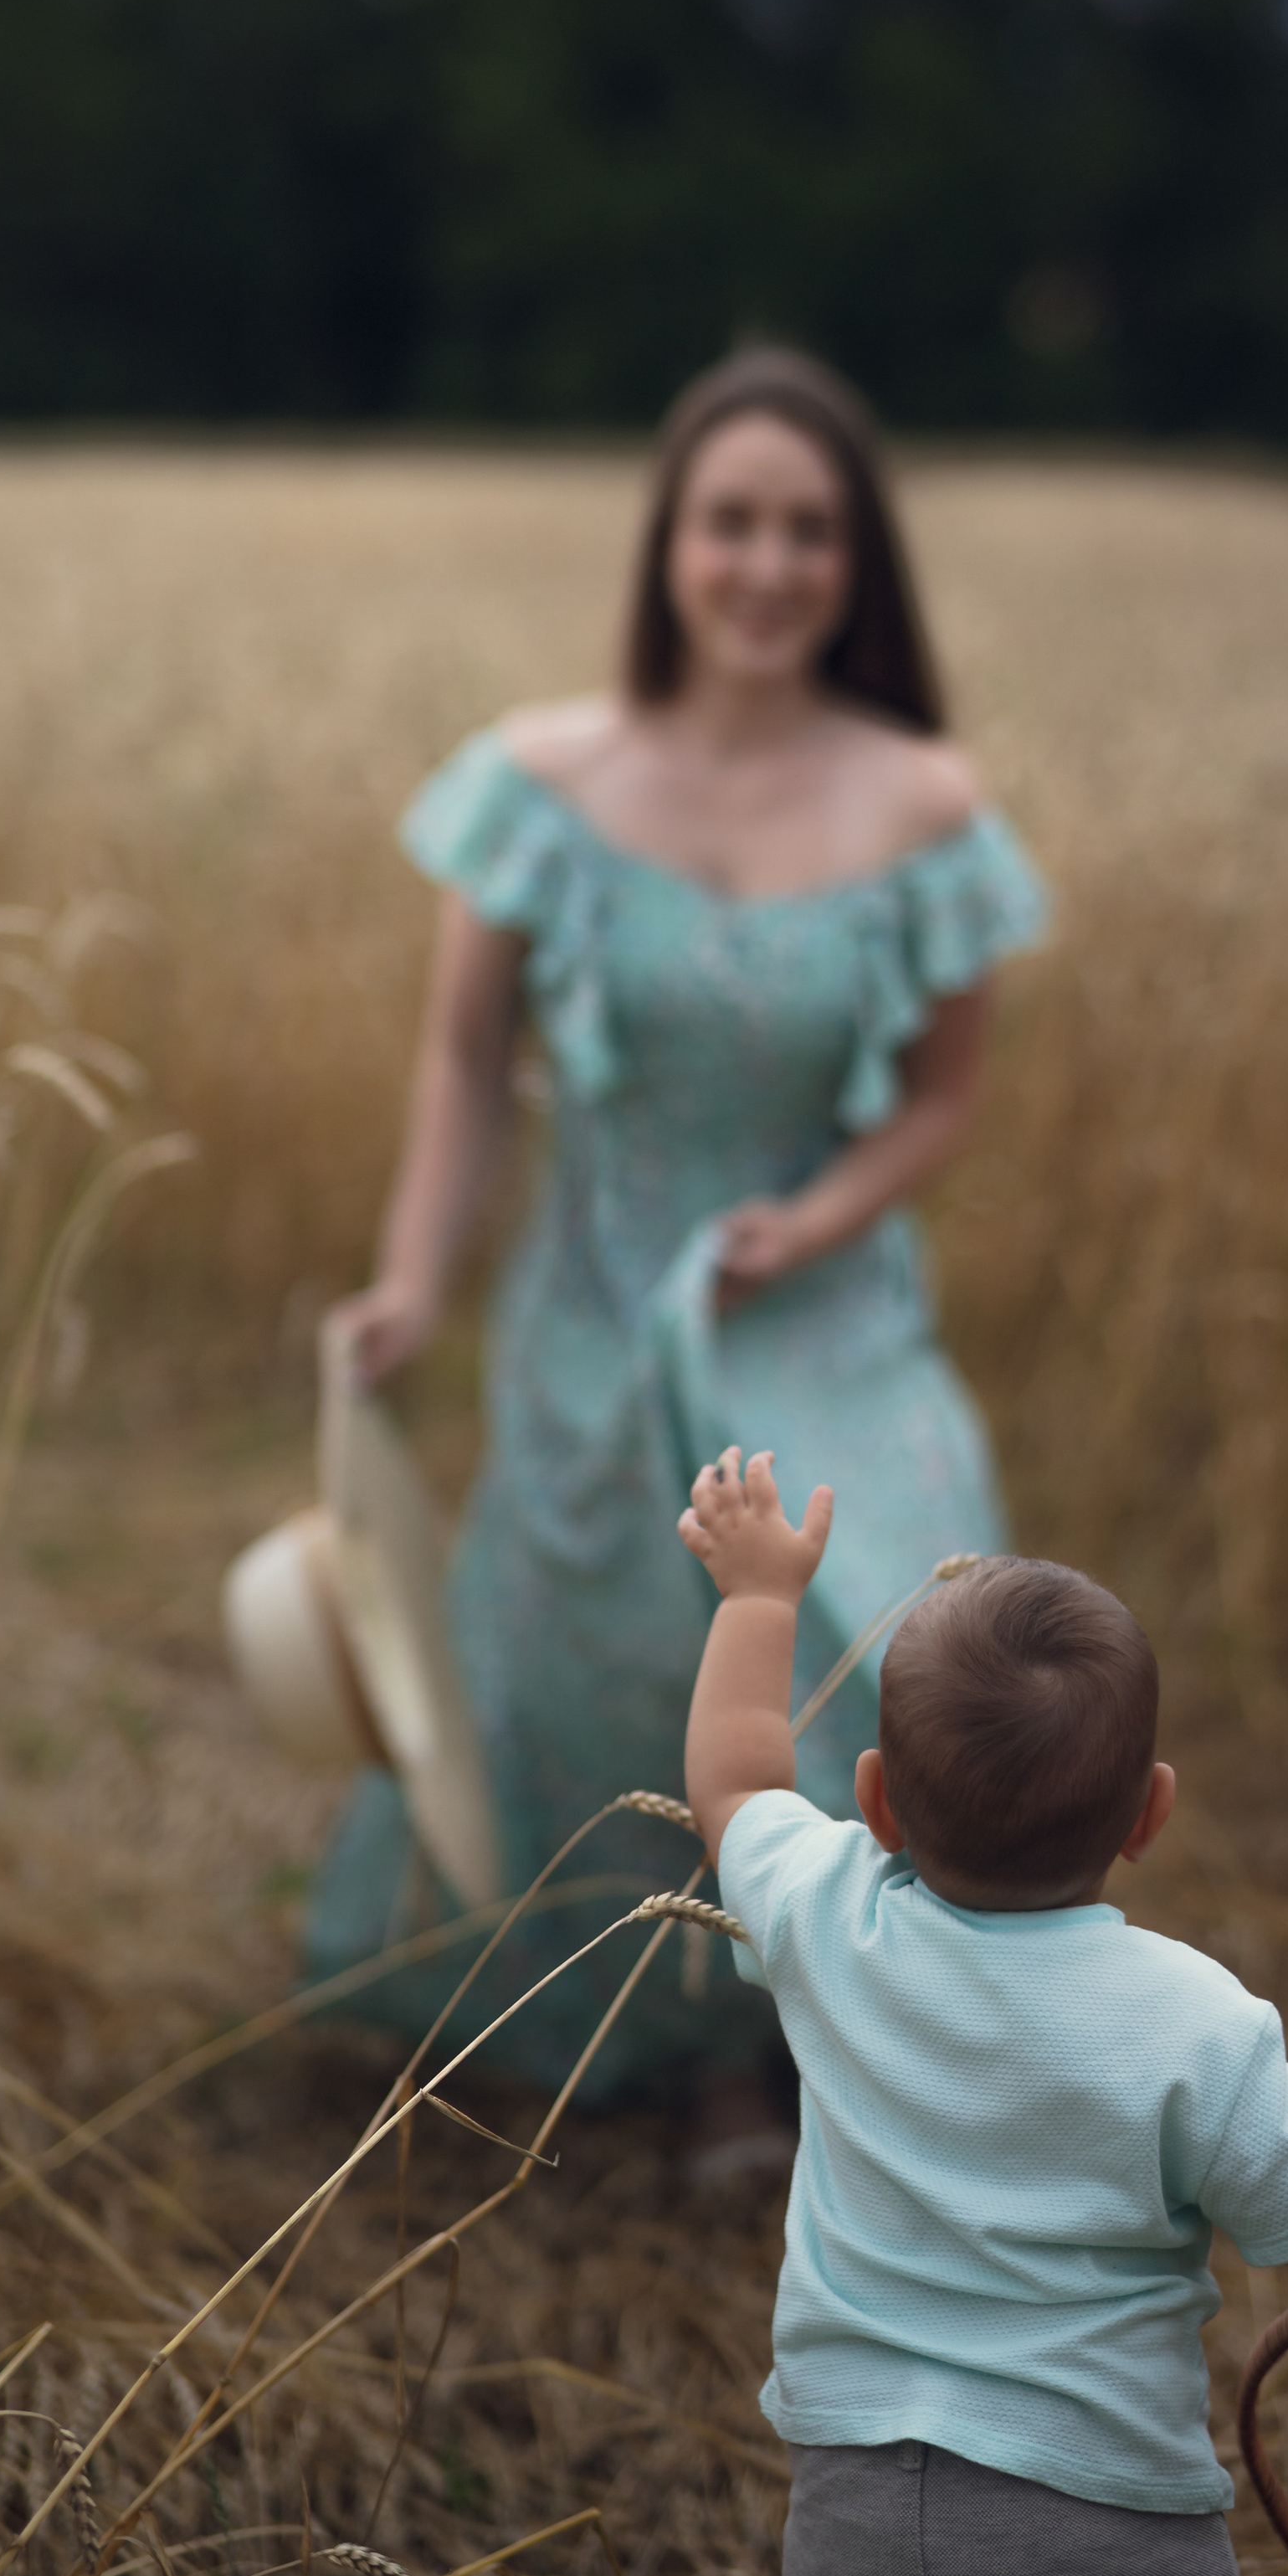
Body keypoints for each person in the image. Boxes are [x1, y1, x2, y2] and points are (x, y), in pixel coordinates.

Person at [306, 351, 1047, 2126]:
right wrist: (413, 1278)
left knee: (901, 1638)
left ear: (857, 560)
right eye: (731, 523)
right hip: (595, 1296)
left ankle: (823, 2050)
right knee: (598, 1651)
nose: (767, 566)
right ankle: (610, 2027)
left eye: (810, 530)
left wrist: (816, 1217)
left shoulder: (923, 803)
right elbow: (464, 1057)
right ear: (668, 542)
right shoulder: (540, 781)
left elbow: (942, 1098)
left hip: (821, 1303)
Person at [679, 1445, 1288, 2576]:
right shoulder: (1191, 2021)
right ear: (1150, 1815)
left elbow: (735, 1778)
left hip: (853, 2500)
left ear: (875, 1801)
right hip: (1096, 2532)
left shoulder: (830, 1918)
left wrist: (761, 1597)